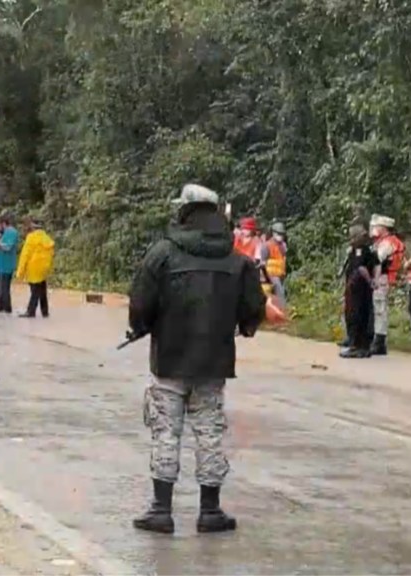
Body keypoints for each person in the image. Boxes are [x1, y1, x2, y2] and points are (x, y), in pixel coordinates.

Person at [128, 183, 265, 535]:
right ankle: (210, 510)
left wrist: (141, 326)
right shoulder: (238, 261)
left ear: (184, 213)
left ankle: (161, 509)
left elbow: (140, 305)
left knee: (165, 431)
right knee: (209, 433)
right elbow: (253, 311)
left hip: (169, 361)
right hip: (214, 363)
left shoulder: (161, 254)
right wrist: (244, 326)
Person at [339, 224, 379, 358]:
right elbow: (377, 264)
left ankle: (356, 346)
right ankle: (364, 347)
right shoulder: (370, 249)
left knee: (354, 315)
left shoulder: (360, 250)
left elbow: (361, 268)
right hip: (364, 289)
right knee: (365, 315)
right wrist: (375, 281)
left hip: (357, 288)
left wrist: (369, 281)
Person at [368, 214, 404, 355]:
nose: (373, 229)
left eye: (375, 226)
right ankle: (374, 338)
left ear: (383, 228)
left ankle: (379, 342)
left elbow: (377, 259)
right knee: (375, 308)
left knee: (379, 309)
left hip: (382, 278)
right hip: (379, 277)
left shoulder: (388, 243)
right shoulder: (381, 242)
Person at [15, 215, 55, 318]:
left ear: (33, 227)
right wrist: (48, 268)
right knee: (42, 289)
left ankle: (30, 311)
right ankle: (44, 311)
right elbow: (51, 255)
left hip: (33, 269)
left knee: (35, 291)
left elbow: (25, 255)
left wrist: (20, 272)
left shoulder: (31, 238)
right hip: (43, 269)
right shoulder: (47, 238)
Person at [0, 213, 19, 313]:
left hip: (5, 265)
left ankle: (7, 307)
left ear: (3, 223)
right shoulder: (2, 233)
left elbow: (7, 247)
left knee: (4, 288)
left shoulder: (11, 232)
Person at [264, 221, 288, 305]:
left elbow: (283, 258)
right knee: (280, 292)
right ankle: (283, 309)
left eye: (282, 234)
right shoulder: (267, 245)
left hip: (280, 273)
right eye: (278, 233)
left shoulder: (283, 245)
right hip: (271, 273)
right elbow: (263, 261)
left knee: (280, 291)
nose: (280, 236)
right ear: (273, 233)